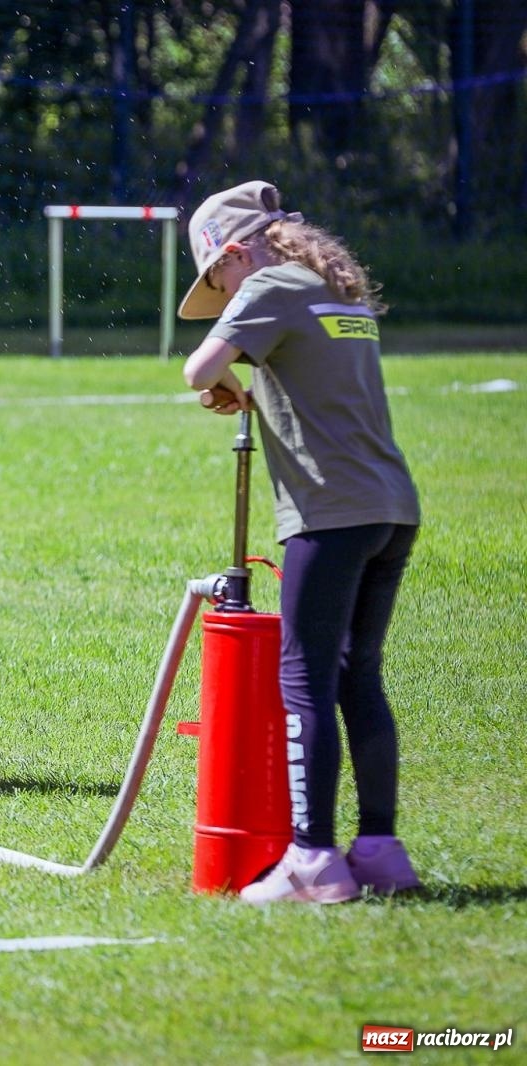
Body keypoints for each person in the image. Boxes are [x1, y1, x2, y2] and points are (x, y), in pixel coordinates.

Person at [179, 180, 422, 905]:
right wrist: (249, 391)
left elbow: (197, 368)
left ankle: (312, 859)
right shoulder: (332, 288)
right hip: (391, 507)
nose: (223, 295)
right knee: (358, 676)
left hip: (328, 512)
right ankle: (380, 850)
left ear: (233, 253)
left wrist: (222, 377)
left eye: (217, 280)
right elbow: (318, 393)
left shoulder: (269, 287)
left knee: (304, 683)